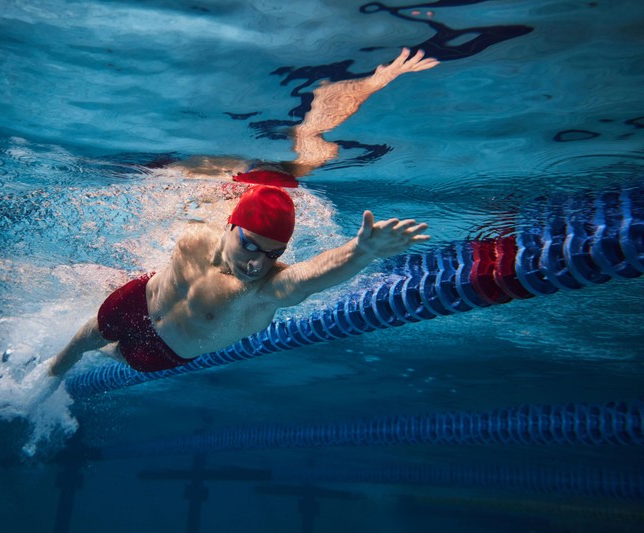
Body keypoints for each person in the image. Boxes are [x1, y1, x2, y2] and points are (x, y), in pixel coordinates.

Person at [47, 48, 438, 377]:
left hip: (162, 353)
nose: (258, 265)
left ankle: (81, 362)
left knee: (109, 352)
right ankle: (50, 373)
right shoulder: (203, 231)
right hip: (138, 301)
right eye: (251, 247)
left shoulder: (265, 290)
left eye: (274, 254)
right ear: (231, 225)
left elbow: (310, 278)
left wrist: (361, 251)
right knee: (84, 339)